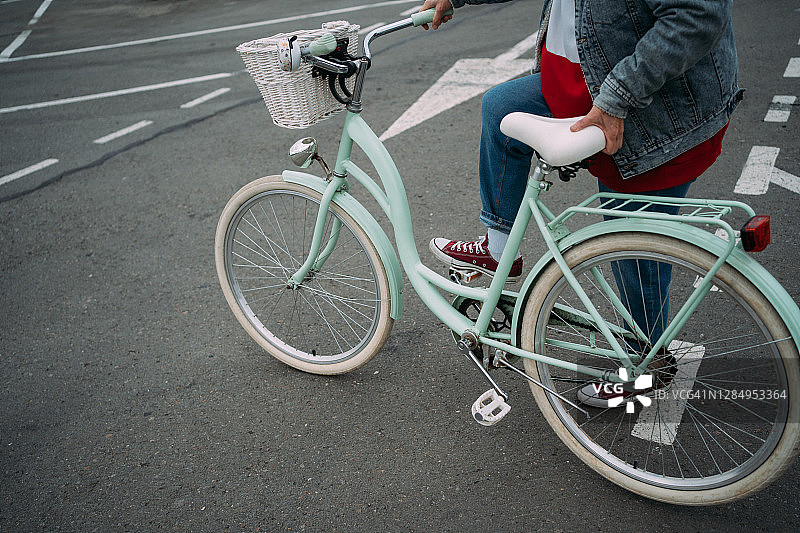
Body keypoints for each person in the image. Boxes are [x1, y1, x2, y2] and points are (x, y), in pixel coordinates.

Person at [420, 0, 741, 406]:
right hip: (583, 82)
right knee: (501, 109)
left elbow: (697, 15)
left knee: (632, 244)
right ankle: (499, 253)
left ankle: (646, 364)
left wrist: (616, 99)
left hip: (655, 107)